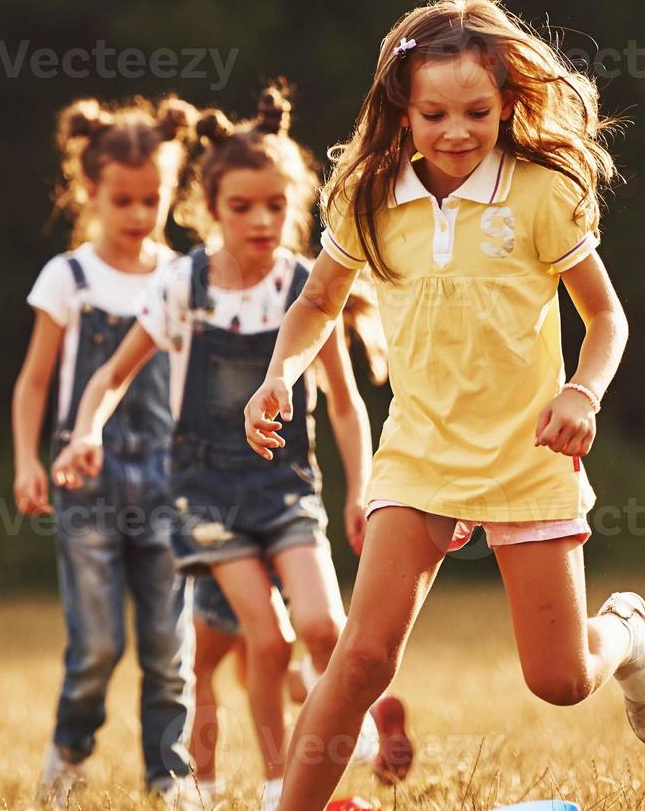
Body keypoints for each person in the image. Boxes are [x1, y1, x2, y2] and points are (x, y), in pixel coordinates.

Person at [243, 0, 645, 811]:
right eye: (434, 113)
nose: (455, 131)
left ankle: (624, 631)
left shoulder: (542, 193)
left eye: (476, 112)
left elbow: (606, 316)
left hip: (530, 454)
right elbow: (315, 304)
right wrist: (280, 374)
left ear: (507, 103)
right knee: (363, 656)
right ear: (401, 112)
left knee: (558, 680)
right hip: (419, 454)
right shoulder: (366, 198)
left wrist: (582, 392)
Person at [55, 87, 405, 811]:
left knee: (323, 626)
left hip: (285, 488)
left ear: (294, 205)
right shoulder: (184, 286)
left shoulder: (305, 289)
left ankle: (352, 728)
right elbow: (109, 377)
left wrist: (359, 489)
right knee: (268, 641)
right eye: (242, 207)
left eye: (276, 206)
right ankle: (279, 786)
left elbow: (343, 403)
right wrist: (87, 430)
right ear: (207, 209)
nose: (262, 221)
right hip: (205, 496)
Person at [11, 96, 198, 807]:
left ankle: (169, 777)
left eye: (153, 198)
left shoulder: (182, 277)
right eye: (123, 199)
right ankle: (69, 749)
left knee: (167, 647)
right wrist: (28, 461)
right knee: (96, 648)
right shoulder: (70, 278)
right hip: (85, 480)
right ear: (90, 191)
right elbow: (33, 382)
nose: (139, 213)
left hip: (168, 481)